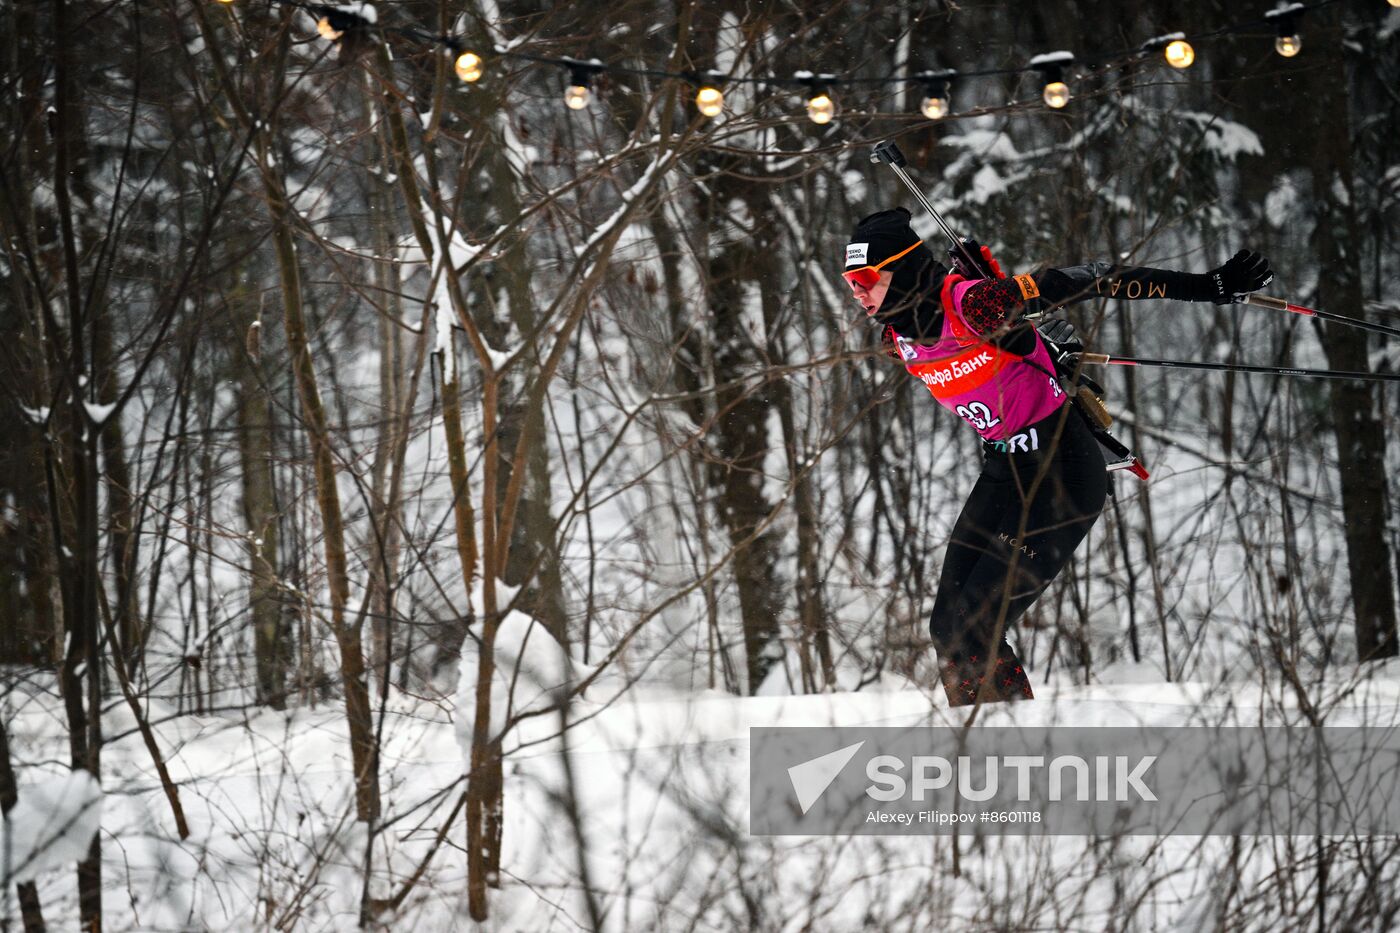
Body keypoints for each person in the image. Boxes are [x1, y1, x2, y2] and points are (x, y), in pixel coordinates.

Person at [842, 208, 1273, 706]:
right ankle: (983, 746)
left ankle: (1008, 744)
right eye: (850, 282)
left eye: (866, 278)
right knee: (947, 626)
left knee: (975, 623)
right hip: (1005, 471)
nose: (857, 292)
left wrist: (1206, 286)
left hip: (1062, 475)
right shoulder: (897, 339)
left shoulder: (977, 306)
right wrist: (1017, 323)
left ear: (906, 271)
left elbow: (1093, 280)